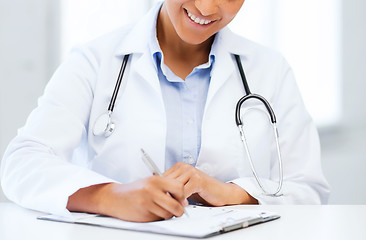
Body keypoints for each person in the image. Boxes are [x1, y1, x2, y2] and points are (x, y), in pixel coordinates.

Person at [0, 0, 329, 222]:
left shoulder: (270, 70)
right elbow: (21, 164)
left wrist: (228, 193)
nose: (206, 7)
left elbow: (309, 191)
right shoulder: (95, 61)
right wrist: (111, 197)